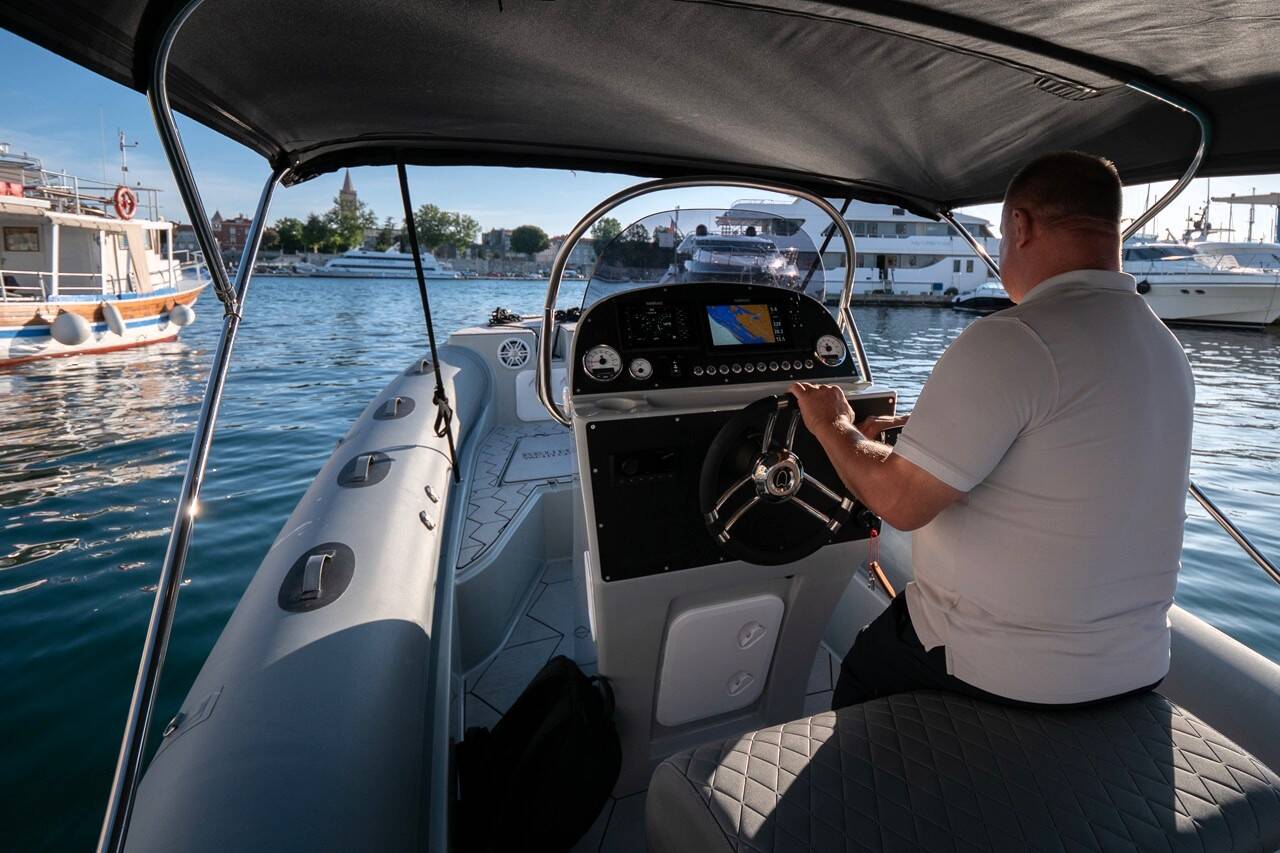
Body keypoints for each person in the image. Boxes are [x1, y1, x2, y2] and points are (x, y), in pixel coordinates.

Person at [791, 151, 1195, 709]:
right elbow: (1066, 447)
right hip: (1138, 662)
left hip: (1002, 668)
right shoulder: (1163, 345)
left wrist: (833, 426)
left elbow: (899, 502)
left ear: (1020, 226)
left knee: (865, 669)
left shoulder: (1015, 339)